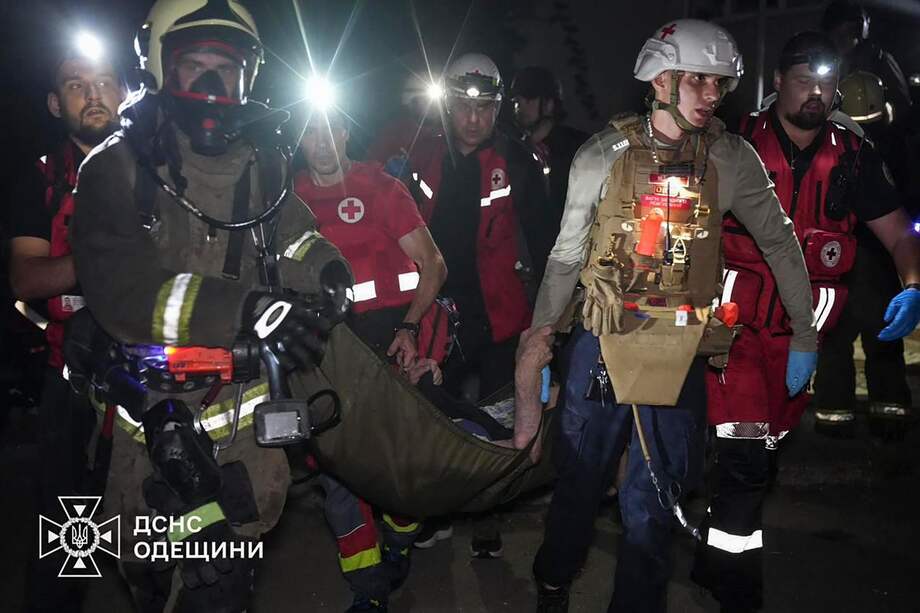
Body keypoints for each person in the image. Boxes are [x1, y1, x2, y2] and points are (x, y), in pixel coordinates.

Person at [517, 19, 818, 613]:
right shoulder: (602, 155)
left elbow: (781, 244)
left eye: (719, 84)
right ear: (660, 80)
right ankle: (553, 581)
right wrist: (539, 341)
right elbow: (566, 256)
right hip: (600, 348)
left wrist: (805, 332)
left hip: (678, 352)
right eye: (698, 81)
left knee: (654, 502)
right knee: (580, 481)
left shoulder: (731, 160)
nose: (713, 95)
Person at [68, 1, 351, 611]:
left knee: (224, 586)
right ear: (158, 69)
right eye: (193, 66)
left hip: (243, 430)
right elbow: (123, 288)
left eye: (226, 70)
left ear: (249, 77)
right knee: (155, 581)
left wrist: (329, 268)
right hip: (151, 428)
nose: (211, 85)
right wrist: (249, 307)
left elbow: (292, 233)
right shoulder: (115, 170)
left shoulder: (264, 165)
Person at [692, 32, 920, 612]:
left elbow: (898, 232)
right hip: (734, 333)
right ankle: (739, 596)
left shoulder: (853, 154)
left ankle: (711, 561)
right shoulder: (733, 142)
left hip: (804, 342)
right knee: (744, 463)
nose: (816, 93)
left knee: (761, 461)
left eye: (825, 82)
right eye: (803, 80)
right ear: (777, 83)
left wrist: (914, 285)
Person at [294, 106, 447, 612]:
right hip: (326, 350)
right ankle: (369, 590)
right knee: (339, 473)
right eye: (309, 129)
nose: (320, 139)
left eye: (328, 128)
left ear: (343, 132)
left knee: (399, 466)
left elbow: (433, 266)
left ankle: (400, 541)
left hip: (390, 343)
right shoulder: (289, 199)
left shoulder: (380, 187)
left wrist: (409, 329)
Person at [405, 51, 552, 558]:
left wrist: (546, 318)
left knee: (497, 419)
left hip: (499, 313)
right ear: (447, 105)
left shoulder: (517, 162)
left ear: (498, 108)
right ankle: (434, 512)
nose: (474, 120)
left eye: (486, 108)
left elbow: (546, 237)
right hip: (436, 308)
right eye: (465, 108)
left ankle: (488, 516)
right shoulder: (422, 155)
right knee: (430, 414)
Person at [6, 37, 125, 613]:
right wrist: (104, 255)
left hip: (160, 378)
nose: (92, 94)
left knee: (177, 539)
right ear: (57, 104)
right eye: (76, 85)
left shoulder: (163, 171)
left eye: (103, 81)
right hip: (72, 380)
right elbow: (26, 279)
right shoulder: (43, 178)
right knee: (67, 543)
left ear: (124, 92)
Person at [813, 70, 914, 438]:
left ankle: (832, 410)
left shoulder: (837, 141)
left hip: (837, 255)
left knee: (835, 334)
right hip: (883, 255)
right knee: (884, 330)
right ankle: (890, 407)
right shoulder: (897, 142)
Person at [510, 66, 589, 219]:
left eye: (529, 98)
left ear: (548, 104)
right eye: (517, 99)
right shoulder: (513, 149)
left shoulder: (576, 149)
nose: (520, 104)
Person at [822, 1, 912, 127]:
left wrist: (886, 112)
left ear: (857, 31)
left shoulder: (879, 60)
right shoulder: (826, 64)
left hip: (876, 135)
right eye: (835, 35)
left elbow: (902, 103)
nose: (838, 41)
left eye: (844, 34)